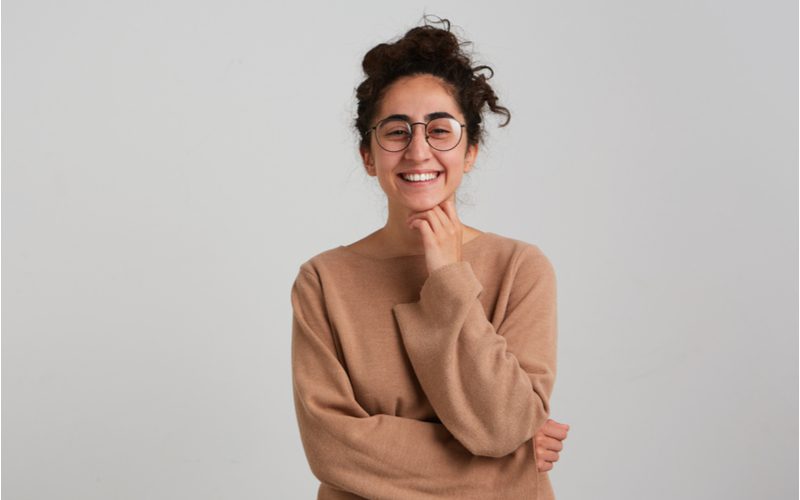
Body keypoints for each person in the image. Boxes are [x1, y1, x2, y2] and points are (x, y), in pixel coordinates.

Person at [291, 16, 570, 499]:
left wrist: (447, 278)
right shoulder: (323, 280)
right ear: (368, 155)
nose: (419, 150)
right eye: (396, 131)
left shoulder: (521, 268)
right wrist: (511, 467)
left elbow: (503, 427)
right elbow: (331, 447)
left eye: (440, 130)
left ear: (471, 151)